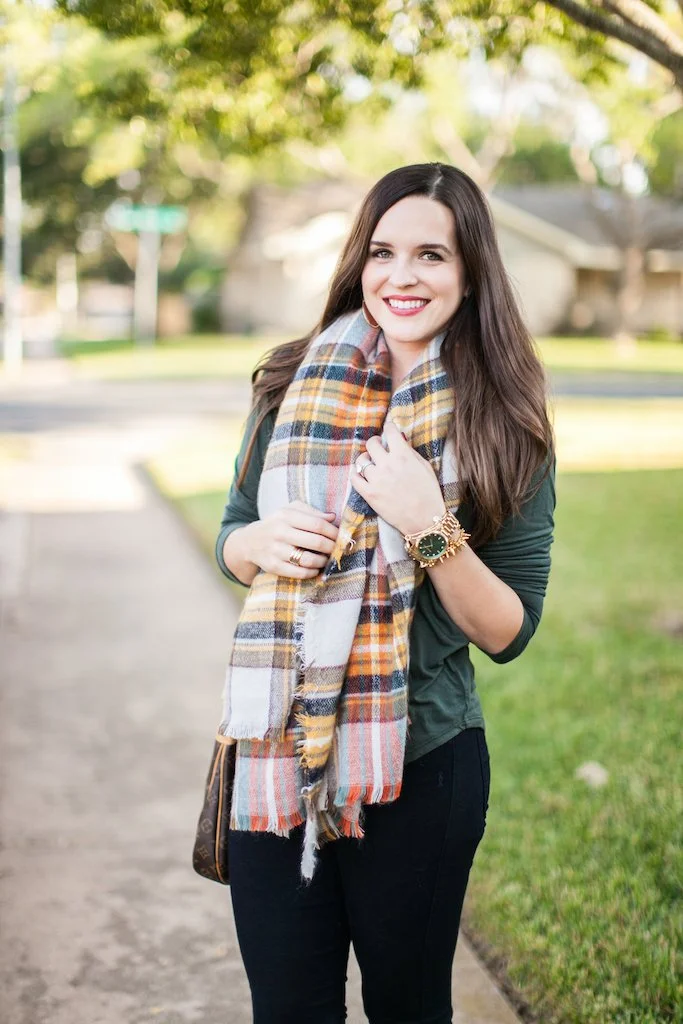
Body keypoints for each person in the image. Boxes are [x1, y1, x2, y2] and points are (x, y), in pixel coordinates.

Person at [214, 162, 555, 1024]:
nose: (402, 276)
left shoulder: (503, 422)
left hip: (420, 766)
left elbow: (508, 628)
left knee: (408, 1007)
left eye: (431, 255)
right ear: (358, 264)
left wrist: (429, 525)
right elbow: (232, 534)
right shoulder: (286, 383)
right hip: (274, 753)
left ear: (470, 270)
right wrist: (254, 542)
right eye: (382, 252)